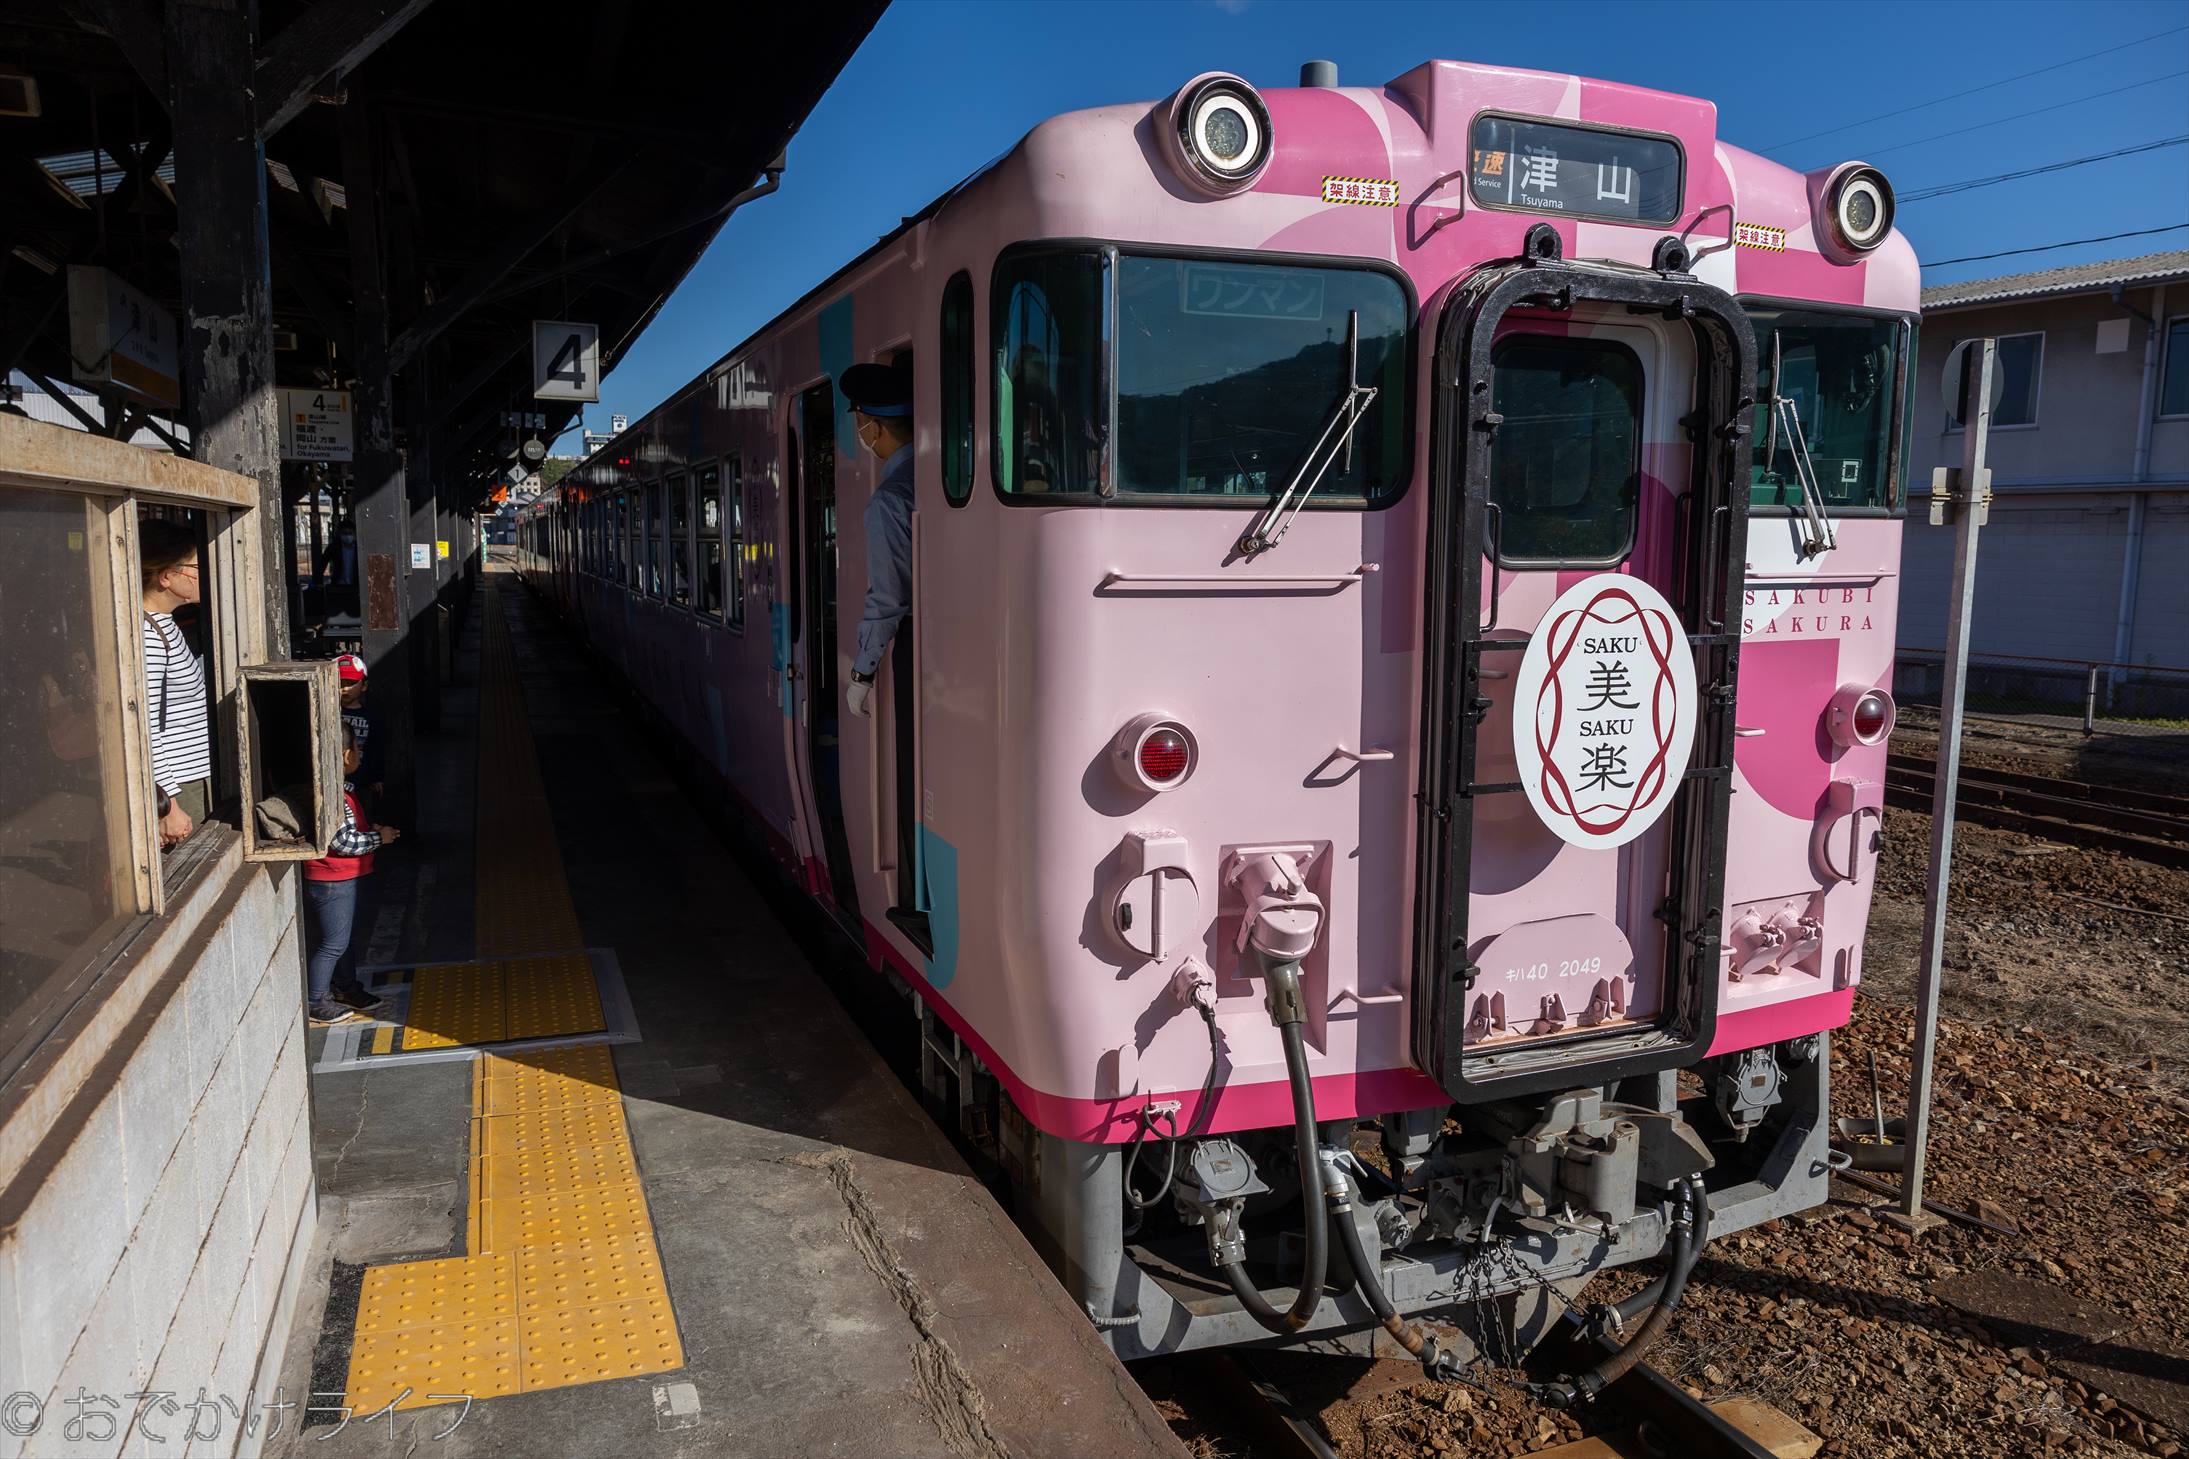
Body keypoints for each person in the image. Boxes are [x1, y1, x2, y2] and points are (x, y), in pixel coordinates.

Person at [302, 723, 399, 1025]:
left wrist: (370, 830)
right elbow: (343, 842)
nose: (360, 755)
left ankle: (345, 987)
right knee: (333, 943)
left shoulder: (341, 790)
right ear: (346, 755)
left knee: (340, 939)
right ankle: (316, 999)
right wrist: (378, 838)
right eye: (357, 749)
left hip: (337, 878)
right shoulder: (336, 796)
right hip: (332, 879)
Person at [839, 360, 914, 720]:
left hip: (915, 650)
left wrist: (862, 672)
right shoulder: (936, 477)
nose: (862, 435)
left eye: (860, 424)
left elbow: (888, 598)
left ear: (875, 427)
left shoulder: (890, 500)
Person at [140, 518, 211, 850]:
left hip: (190, 778)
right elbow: (145, 726)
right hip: (181, 786)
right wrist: (168, 804)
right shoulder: (148, 637)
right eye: (195, 566)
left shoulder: (164, 625)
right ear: (166, 576)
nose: (203, 574)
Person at [335, 652, 384, 806]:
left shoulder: (371, 716)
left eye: (350, 682)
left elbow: (376, 747)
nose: (345, 688)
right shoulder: (326, 713)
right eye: (340, 683)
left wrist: (376, 777)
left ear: (364, 686)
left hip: (361, 781)